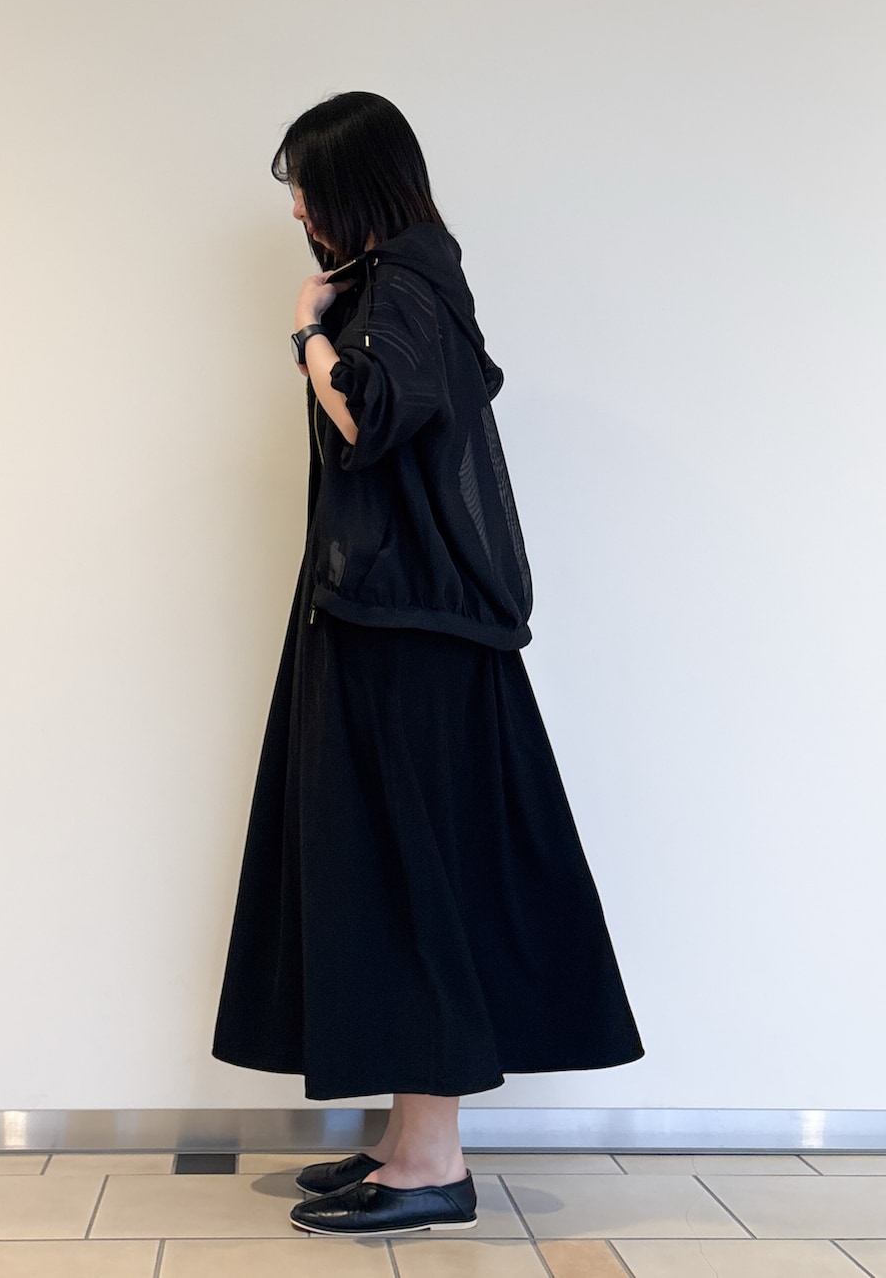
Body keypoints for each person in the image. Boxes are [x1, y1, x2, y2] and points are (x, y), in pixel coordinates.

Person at [211, 91, 644, 1238]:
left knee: (412, 878)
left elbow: (370, 414)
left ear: (354, 186)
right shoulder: (406, 279)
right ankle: (408, 1142)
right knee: (389, 877)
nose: (297, 210)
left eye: (307, 187)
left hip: (406, 635)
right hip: (391, 625)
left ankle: (433, 1163)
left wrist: (306, 334)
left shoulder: (402, 284)